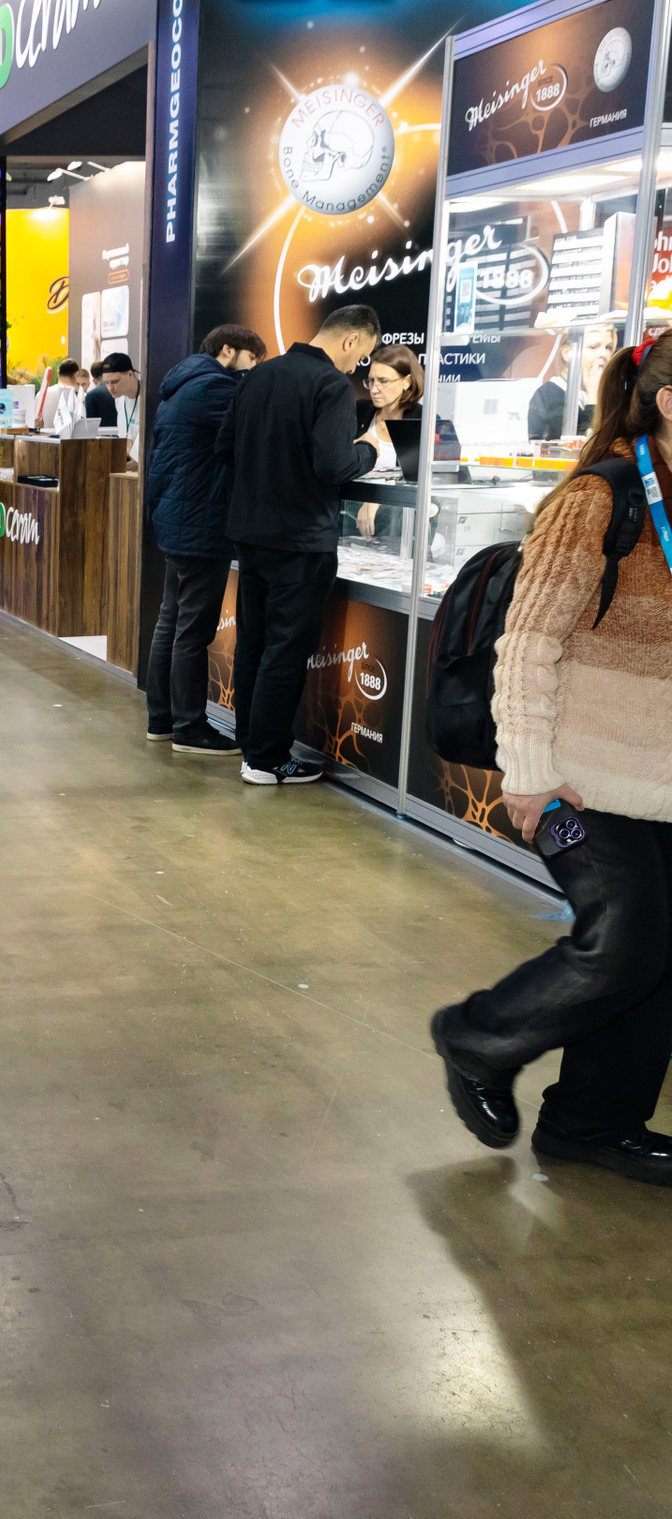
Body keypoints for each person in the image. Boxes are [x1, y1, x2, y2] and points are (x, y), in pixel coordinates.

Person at [430, 336, 672, 1187]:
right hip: (575, 781)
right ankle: (476, 1039)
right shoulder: (600, 498)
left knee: (660, 956)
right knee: (625, 939)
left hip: (663, 781)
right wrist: (529, 773)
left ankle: (592, 1122)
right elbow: (528, 642)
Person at [215, 303, 390, 786]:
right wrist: (368, 450)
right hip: (301, 538)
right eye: (361, 356)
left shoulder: (258, 376)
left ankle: (252, 744)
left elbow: (224, 447)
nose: (357, 367)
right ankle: (268, 759)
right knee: (286, 649)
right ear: (351, 340)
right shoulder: (331, 385)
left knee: (254, 642)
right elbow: (335, 465)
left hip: (250, 531)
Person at [143, 324, 266, 756]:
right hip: (201, 523)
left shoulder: (181, 386)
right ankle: (189, 728)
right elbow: (253, 433)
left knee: (171, 623)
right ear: (229, 350)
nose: (254, 370)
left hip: (178, 519)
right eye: (252, 360)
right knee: (192, 631)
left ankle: (162, 720)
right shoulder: (215, 388)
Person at [350, 344, 459, 539]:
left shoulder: (426, 421)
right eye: (371, 380)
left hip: (403, 530)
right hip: (351, 523)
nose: (374, 389)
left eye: (383, 381)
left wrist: (378, 499)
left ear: (407, 382)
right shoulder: (359, 412)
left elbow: (442, 481)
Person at [31, 359, 84, 431]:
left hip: (47, 436)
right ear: (76, 375)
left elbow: (34, 421)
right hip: (71, 437)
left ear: (58, 373)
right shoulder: (81, 397)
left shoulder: (42, 394)